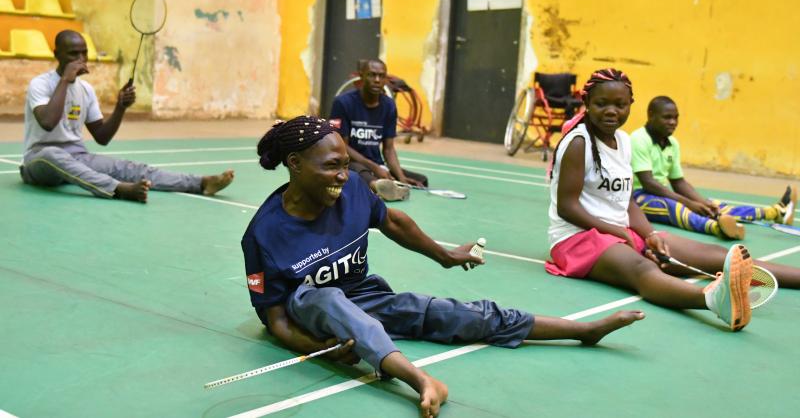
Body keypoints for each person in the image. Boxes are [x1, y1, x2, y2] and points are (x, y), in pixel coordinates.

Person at [242, 116, 645, 418]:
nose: (343, 175)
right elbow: (275, 321)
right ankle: (419, 380)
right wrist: (320, 350)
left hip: (364, 297)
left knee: (448, 313)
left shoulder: (351, 191)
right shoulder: (263, 234)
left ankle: (581, 330)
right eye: (331, 166)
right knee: (328, 296)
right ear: (294, 164)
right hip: (312, 312)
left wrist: (446, 255)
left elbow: (394, 222)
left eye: (346, 163)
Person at [546, 68, 800, 334]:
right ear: (586, 103)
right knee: (642, 268)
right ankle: (715, 301)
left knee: (714, 255)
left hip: (621, 232)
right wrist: (619, 233)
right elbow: (567, 207)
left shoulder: (623, 141)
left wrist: (650, 234)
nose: (611, 111)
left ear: (631, 105)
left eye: (620, 105)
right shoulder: (578, 143)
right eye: (601, 104)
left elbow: (627, 201)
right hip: (578, 238)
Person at [20, 30, 234, 203]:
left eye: (83, 53)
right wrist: (65, 80)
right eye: (73, 54)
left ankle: (201, 183)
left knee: (129, 168)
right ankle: (118, 189)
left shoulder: (86, 90)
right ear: (56, 54)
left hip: (78, 156)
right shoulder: (40, 84)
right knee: (53, 155)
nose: (80, 59)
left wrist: (120, 107)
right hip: (39, 160)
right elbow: (47, 123)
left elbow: (102, 137)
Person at [630, 96, 796, 240]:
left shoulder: (672, 143)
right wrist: (689, 203)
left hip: (662, 191)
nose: (673, 122)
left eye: (676, 117)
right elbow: (648, 183)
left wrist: (702, 203)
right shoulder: (639, 139)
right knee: (675, 207)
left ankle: (775, 213)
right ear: (651, 115)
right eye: (667, 117)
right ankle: (717, 228)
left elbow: (679, 182)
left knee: (714, 205)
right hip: (638, 197)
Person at [329, 59, 427, 201]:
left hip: (375, 164)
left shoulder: (389, 105)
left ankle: (387, 184)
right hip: (348, 162)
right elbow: (342, 146)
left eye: (381, 76)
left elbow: (388, 149)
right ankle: (377, 186)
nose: (377, 80)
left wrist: (401, 177)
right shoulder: (343, 102)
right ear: (361, 76)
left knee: (421, 180)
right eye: (372, 75)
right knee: (359, 172)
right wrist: (375, 168)